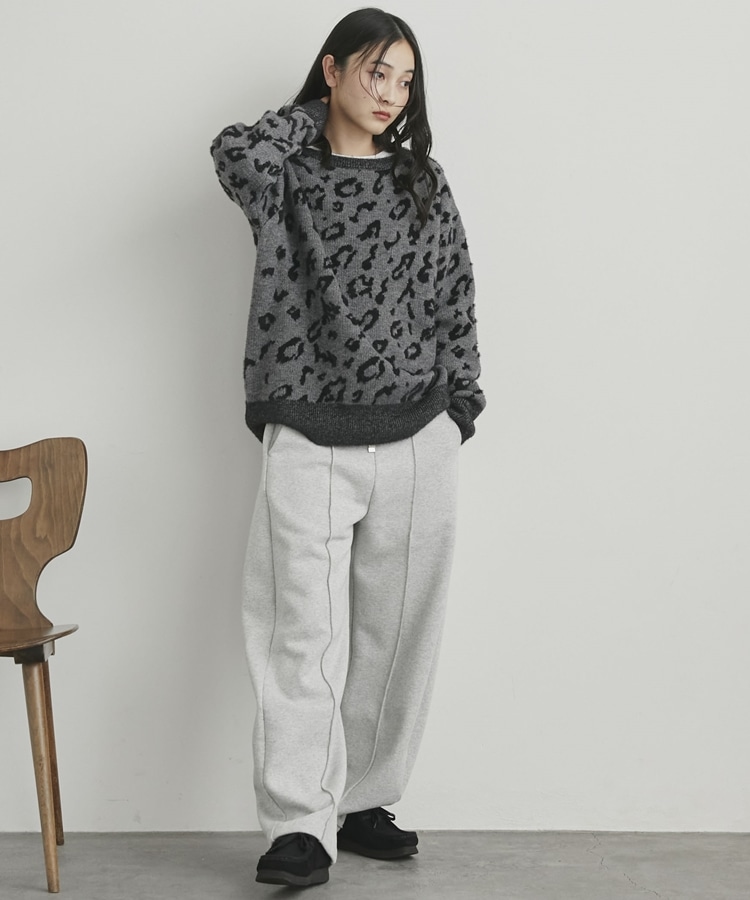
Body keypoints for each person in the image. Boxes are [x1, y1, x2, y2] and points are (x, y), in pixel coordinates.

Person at [210, 7, 485, 888]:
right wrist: (311, 112)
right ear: (332, 70)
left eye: (405, 80)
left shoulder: (421, 180)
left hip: (418, 437)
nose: (391, 93)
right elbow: (233, 154)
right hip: (308, 433)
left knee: (398, 637)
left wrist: (460, 408)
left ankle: (364, 800)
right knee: (300, 638)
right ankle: (299, 825)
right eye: (374, 71)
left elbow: (455, 295)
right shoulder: (282, 174)